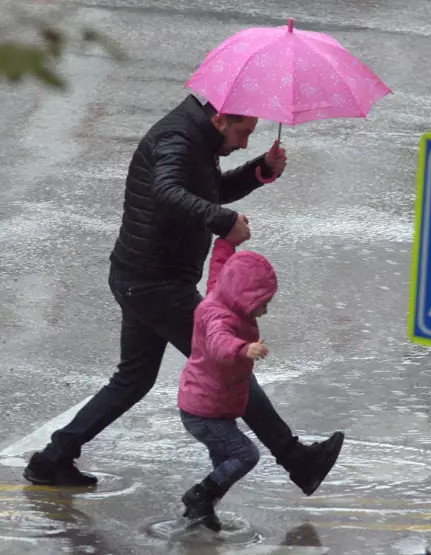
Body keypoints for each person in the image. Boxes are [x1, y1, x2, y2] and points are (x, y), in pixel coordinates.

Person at [23, 94, 345, 495]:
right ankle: (297, 460)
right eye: (244, 132)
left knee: (132, 380)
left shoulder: (197, 135)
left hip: (139, 277)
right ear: (221, 119)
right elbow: (167, 191)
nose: (245, 142)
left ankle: (51, 459)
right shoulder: (178, 139)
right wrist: (222, 221)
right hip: (156, 283)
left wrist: (259, 171)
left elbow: (208, 190)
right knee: (230, 362)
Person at [179, 236, 276, 531]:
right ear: (245, 297)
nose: (265, 311)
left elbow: (219, 268)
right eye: (262, 304)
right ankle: (199, 496)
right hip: (204, 412)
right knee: (246, 455)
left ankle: (202, 511)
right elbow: (218, 344)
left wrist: (226, 241)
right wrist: (244, 349)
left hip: (214, 407)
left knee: (223, 463)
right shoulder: (219, 316)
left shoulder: (221, 292)